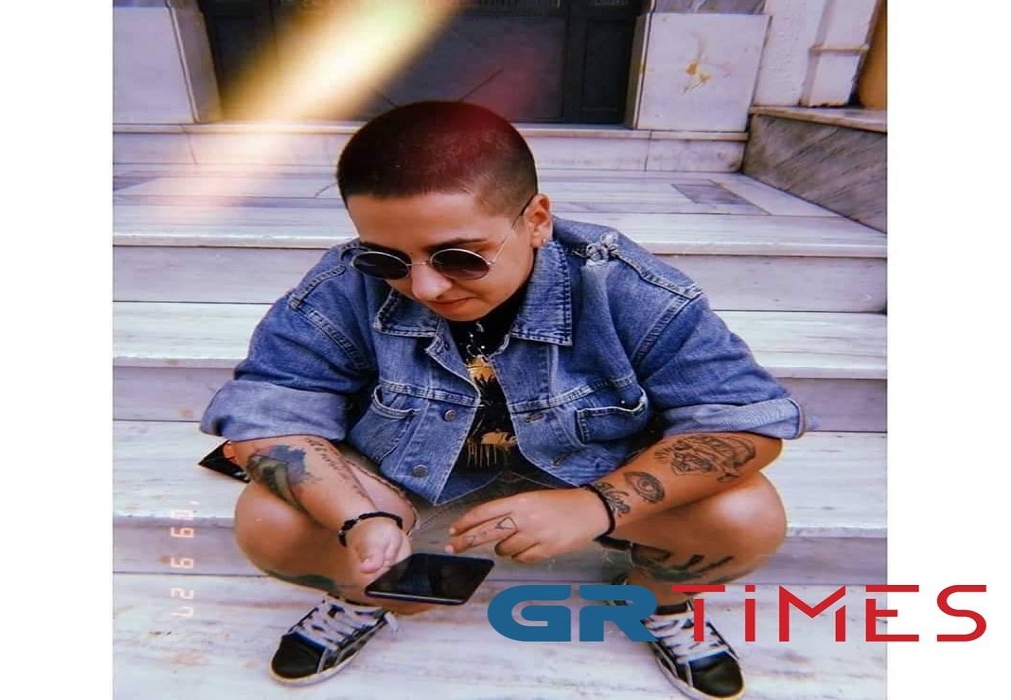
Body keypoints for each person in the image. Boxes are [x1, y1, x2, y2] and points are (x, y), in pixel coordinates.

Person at [199, 100, 807, 700]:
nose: (425, 286)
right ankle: (364, 595)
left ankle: (659, 600)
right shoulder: (344, 283)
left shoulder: (624, 286)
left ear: (537, 219)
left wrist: (597, 505)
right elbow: (268, 411)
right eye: (388, 259)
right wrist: (359, 519)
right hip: (408, 473)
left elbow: (743, 420)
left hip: (588, 470)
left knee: (745, 518)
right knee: (269, 521)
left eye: (459, 257)